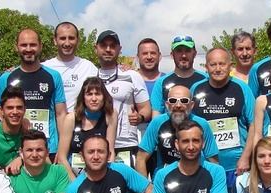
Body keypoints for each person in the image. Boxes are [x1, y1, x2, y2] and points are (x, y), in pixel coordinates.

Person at [0, 28, 67, 161]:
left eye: (33, 45)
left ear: (40, 46)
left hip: (48, 148)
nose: (28, 49)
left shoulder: (54, 76)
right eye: (24, 45)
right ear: (16, 47)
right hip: (17, 148)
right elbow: (1, 116)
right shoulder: (6, 78)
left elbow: (61, 114)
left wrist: (62, 149)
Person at [190, 48, 255, 182]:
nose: (218, 69)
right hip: (204, 165)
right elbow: (188, 126)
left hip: (237, 166)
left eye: (222, 64)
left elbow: (254, 125)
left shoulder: (242, 88)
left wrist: (246, 157)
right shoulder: (196, 89)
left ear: (230, 65)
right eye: (213, 65)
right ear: (206, 67)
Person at [94, 30, 152, 167]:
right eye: (104, 45)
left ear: (119, 49)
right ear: (96, 48)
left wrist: (140, 117)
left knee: (126, 188)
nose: (108, 49)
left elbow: (146, 109)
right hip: (95, 144)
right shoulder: (89, 75)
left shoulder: (132, 75)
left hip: (125, 144)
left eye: (113, 46)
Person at [137, 85, 219, 178]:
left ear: (191, 105)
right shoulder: (157, 123)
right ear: (167, 105)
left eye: (184, 101)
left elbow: (213, 160)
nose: (178, 105)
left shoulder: (202, 124)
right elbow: (141, 157)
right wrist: (145, 188)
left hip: (195, 179)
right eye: (173, 101)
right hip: (164, 179)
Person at [58, 77, 117, 177]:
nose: (94, 99)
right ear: (83, 97)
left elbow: (110, 152)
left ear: (104, 97)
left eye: (97, 94)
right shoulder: (71, 119)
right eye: (89, 94)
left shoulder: (111, 115)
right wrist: (75, 183)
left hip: (99, 173)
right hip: (72, 175)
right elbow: (61, 157)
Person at [43, 22, 99, 112]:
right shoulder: (44, 68)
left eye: (71, 38)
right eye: (62, 38)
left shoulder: (88, 67)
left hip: (79, 124)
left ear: (78, 40)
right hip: (52, 124)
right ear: (55, 40)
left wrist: (122, 69)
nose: (67, 43)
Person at [150, 35, 207, 115]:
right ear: (172, 55)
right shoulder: (161, 83)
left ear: (194, 54)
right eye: (179, 51)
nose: (183, 55)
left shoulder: (206, 79)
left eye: (187, 51)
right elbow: (156, 116)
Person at [0, 86, 25, 172]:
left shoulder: (28, 133)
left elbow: (46, 163)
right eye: (10, 108)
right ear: (1, 110)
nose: (15, 112)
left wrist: (22, 158)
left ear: (25, 110)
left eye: (19, 107)